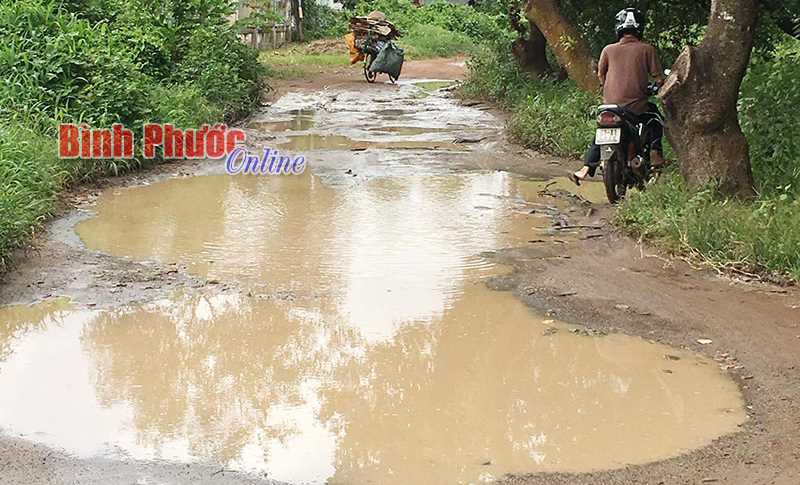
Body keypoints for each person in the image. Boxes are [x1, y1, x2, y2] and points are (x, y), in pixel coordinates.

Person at [571, 8, 666, 185]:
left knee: (600, 133)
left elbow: (601, 75)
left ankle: (585, 169)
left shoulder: (608, 50)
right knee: (654, 119)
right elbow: (659, 78)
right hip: (635, 107)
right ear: (640, 28)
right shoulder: (647, 49)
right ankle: (654, 153)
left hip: (609, 107)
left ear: (619, 28)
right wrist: (655, 85)